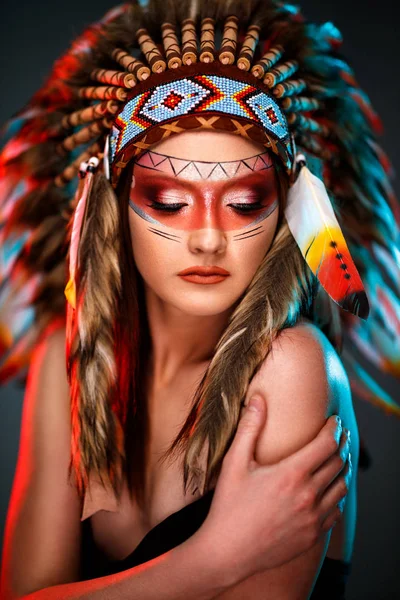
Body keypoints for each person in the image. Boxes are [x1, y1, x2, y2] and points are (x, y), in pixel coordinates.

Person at [0, 0, 398, 598]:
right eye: (169, 201)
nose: (209, 237)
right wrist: (216, 557)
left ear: (290, 209)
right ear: (115, 202)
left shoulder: (290, 370)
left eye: (244, 203)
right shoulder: (67, 360)